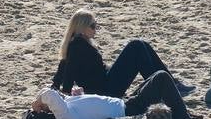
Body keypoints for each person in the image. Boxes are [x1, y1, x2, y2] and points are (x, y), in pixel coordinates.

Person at [51, 9, 192, 98]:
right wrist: (65, 92)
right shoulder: (77, 47)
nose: (96, 29)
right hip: (105, 90)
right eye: (93, 26)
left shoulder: (78, 44)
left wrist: (55, 86)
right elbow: (69, 70)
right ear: (82, 27)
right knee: (136, 45)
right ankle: (164, 84)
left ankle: (170, 83)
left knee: (142, 45)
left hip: (105, 82)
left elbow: (63, 67)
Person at [31, 69, 210, 119]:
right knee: (161, 78)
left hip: (123, 105)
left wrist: (79, 97)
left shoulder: (68, 114)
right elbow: (50, 94)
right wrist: (37, 102)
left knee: (155, 78)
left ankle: (181, 115)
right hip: (126, 112)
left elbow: (59, 99)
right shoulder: (65, 118)